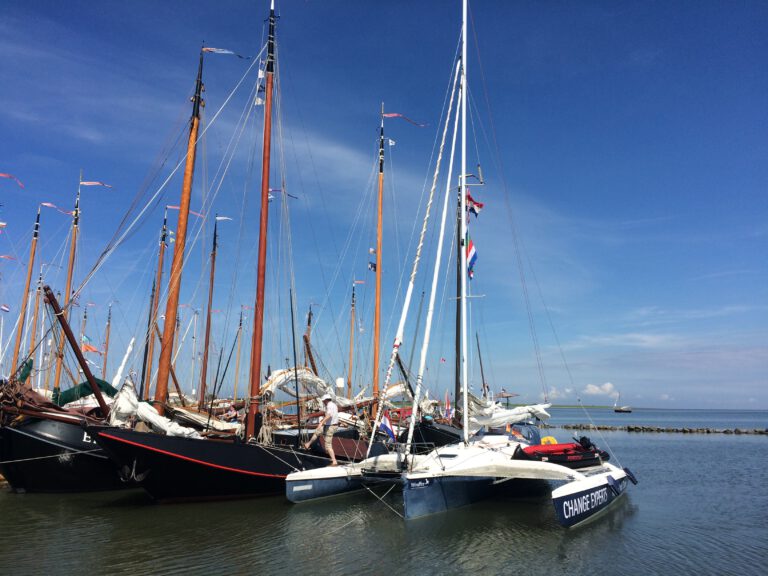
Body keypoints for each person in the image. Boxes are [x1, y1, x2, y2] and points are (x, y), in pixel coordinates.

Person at [303, 393, 338, 466]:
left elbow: (329, 415)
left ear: (325, 400)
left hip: (330, 427)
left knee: (328, 445)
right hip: (329, 425)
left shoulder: (329, 406)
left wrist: (321, 422)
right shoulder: (333, 405)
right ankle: (308, 444)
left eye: (323, 401)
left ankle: (334, 461)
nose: (322, 402)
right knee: (318, 431)